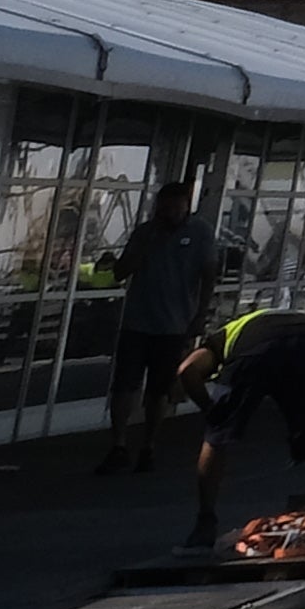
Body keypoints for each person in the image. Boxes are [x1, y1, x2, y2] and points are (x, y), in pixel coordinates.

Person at [178, 300, 305, 544]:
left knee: (216, 438)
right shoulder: (252, 322)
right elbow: (287, 388)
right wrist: (302, 428)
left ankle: (205, 520)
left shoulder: (219, 343)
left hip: (256, 348)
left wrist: (210, 410)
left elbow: (187, 371)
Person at [98, 184, 217, 478]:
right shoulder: (145, 233)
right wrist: (140, 251)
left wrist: (200, 316)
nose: (172, 214)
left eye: (178, 208)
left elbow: (209, 274)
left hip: (173, 325)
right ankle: (119, 445)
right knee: (124, 385)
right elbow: (120, 272)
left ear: (186, 207)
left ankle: (148, 446)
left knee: (159, 389)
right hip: (137, 322)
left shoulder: (200, 233)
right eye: (167, 208)